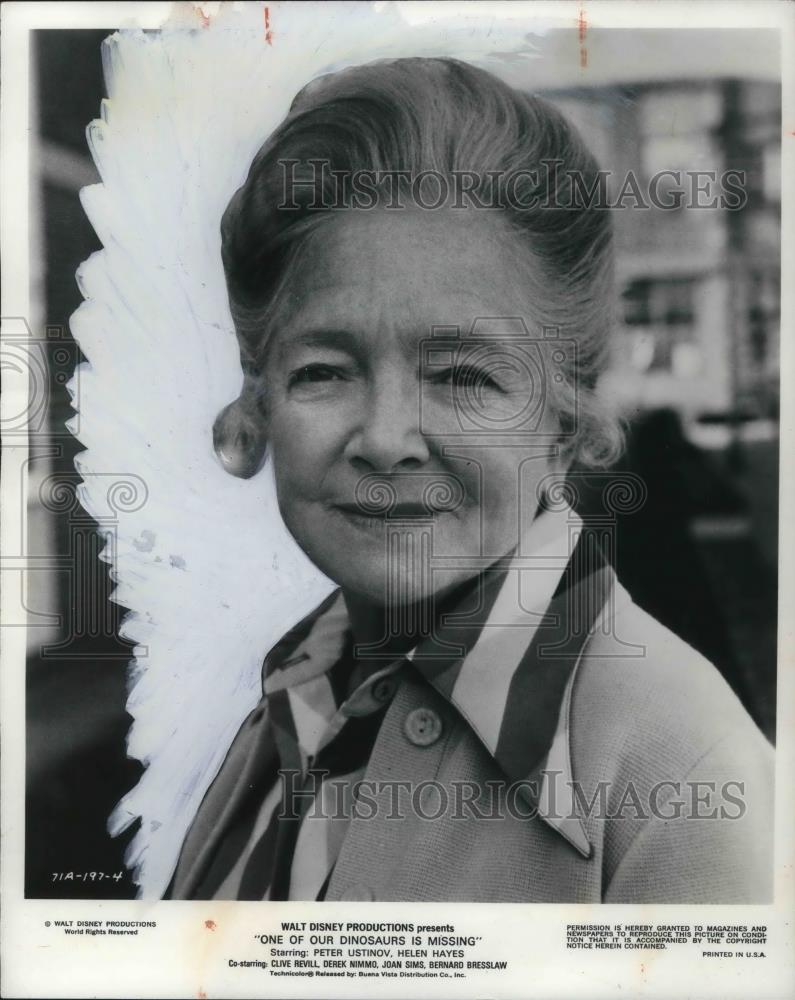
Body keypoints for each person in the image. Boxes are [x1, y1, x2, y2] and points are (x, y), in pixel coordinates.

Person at [167, 57, 773, 903]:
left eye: (462, 377)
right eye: (324, 372)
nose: (383, 440)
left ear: (564, 423)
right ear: (259, 399)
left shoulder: (686, 777)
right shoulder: (292, 702)